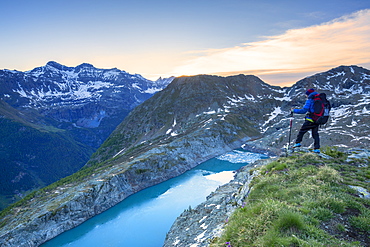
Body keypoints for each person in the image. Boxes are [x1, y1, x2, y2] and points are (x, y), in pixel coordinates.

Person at [291, 88, 321, 153]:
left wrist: (294, 110)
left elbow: (304, 110)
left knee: (302, 131)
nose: (306, 96)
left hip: (311, 119)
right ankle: (317, 149)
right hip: (318, 119)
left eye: (306, 95)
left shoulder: (310, 100)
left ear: (308, 94)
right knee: (315, 134)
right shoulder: (320, 99)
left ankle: (297, 143)